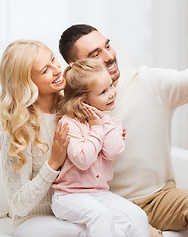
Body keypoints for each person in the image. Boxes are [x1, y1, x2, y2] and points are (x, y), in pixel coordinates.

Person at [58, 14, 188, 237]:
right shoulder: (67, 109)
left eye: (108, 46)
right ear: (77, 66)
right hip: (109, 204)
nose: (109, 56)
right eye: (95, 54)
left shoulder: (148, 83)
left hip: (159, 197)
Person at [0, 40, 88, 237]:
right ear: (26, 83)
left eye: (54, 60)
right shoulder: (18, 130)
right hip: (33, 221)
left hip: (72, 212)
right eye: (45, 70)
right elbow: (19, 205)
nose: (57, 70)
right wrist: (53, 162)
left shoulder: (70, 111)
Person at [51, 59, 150, 237]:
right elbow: (83, 160)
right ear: (83, 101)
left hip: (100, 195)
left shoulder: (113, 123)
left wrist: (104, 123)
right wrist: (96, 127)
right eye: (103, 92)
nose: (112, 93)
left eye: (111, 86)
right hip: (68, 197)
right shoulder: (68, 123)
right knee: (100, 215)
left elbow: (113, 151)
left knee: (138, 216)